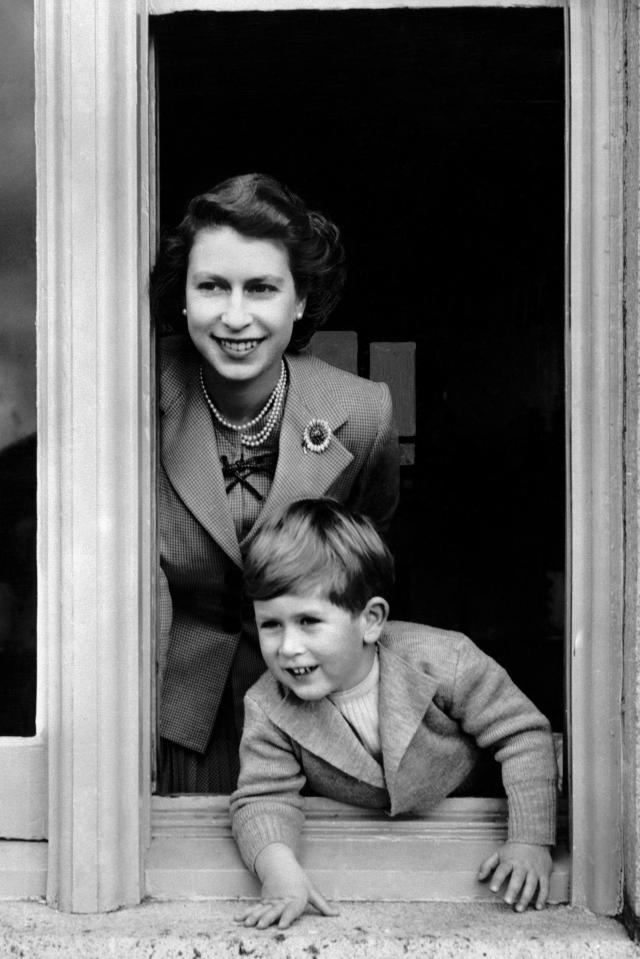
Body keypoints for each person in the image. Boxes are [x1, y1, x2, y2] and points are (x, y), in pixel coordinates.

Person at [150, 174, 400, 794]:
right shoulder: (138, 393)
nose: (237, 317)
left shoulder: (364, 413)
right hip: (170, 715)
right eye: (212, 287)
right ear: (183, 298)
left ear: (298, 300)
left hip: (316, 712)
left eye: (261, 288)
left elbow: (365, 566)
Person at [230, 498, 558, 928]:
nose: (288, 647)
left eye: (308, 621)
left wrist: (530, 841)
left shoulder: (444, 659)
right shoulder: (268, 704)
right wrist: (279, 871)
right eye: (271, 624)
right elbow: (262, 797)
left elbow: (524, 735)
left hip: (473, 831)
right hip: (374, 854)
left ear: (370, 620)